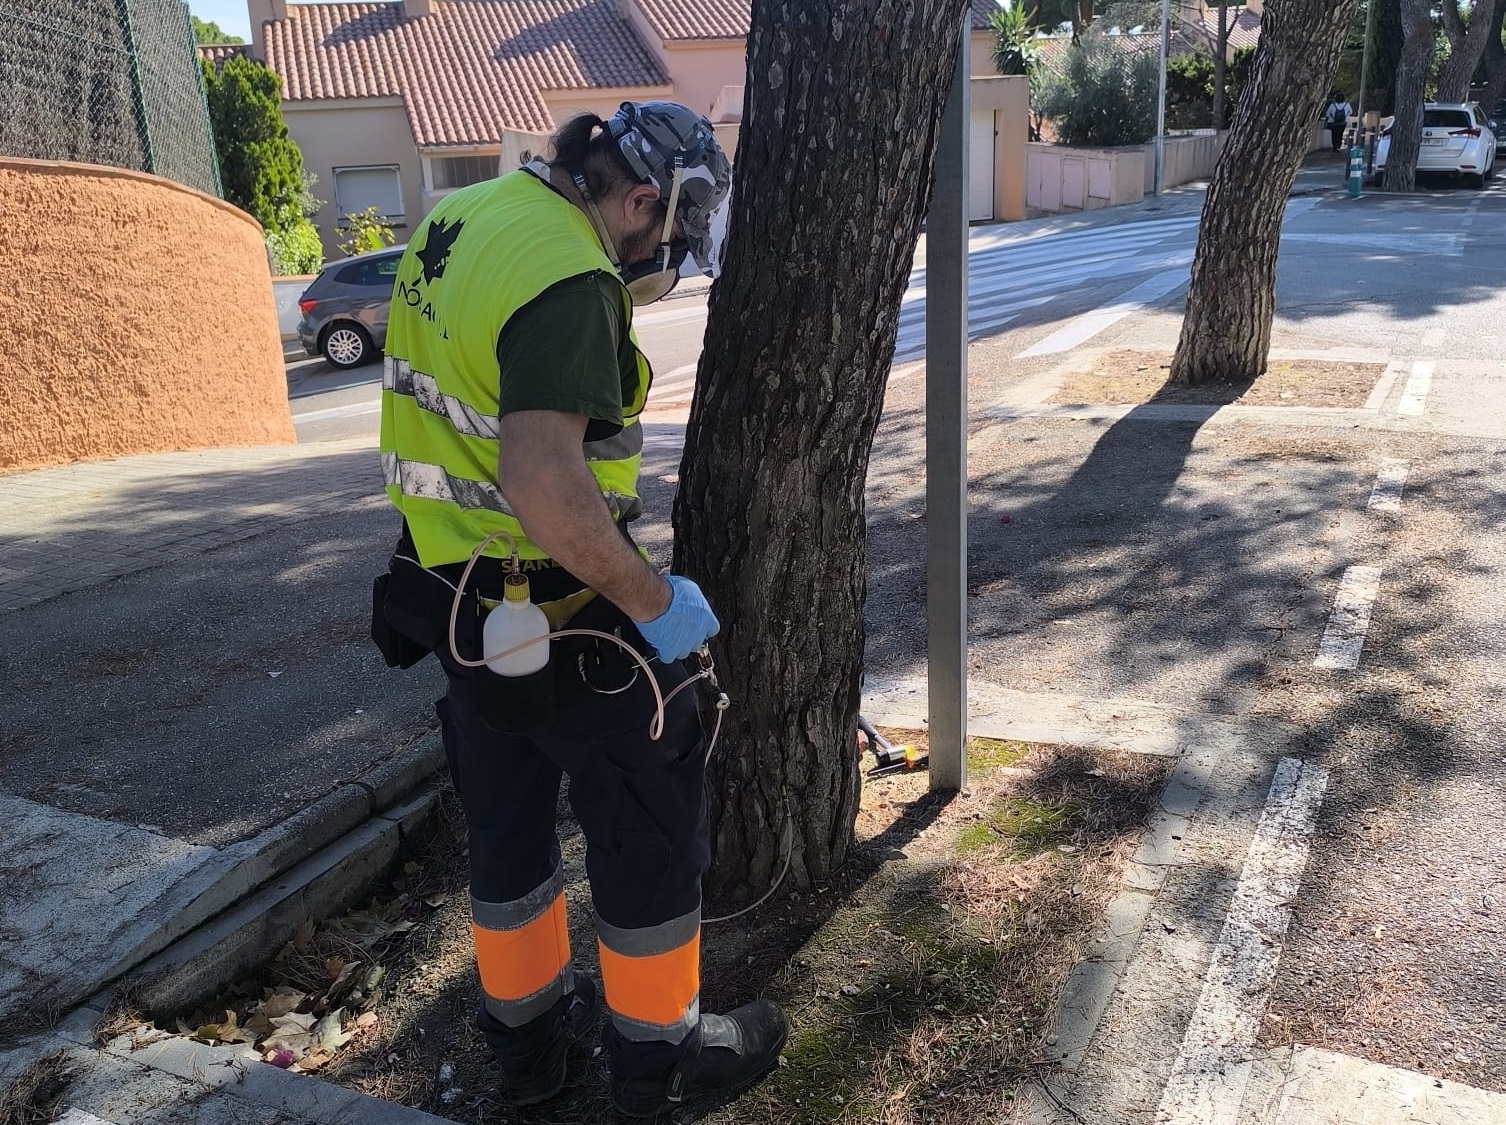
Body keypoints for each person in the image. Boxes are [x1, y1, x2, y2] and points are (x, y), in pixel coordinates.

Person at [369, 102, 788, 1116]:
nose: (670, 251)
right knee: (646, 843)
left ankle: (528, 1056)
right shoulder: (574, 278)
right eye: (672, 229)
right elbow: (547, 484)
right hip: (562, 618)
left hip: (459, 613)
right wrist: (655, 603)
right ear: (642, 197)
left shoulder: (460, 216)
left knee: (507, 842)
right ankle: (660, 1067)